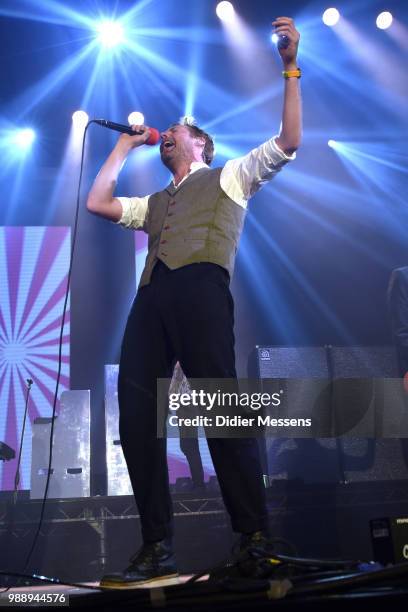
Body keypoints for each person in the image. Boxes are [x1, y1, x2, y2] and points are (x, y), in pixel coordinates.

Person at [87, 16, 302, 588]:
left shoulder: (229, 176)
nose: (170, 134)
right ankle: (157, 546)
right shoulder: (153, 201)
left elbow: (289, 141)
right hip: (152, 299)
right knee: (137, 419)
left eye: (179, 130)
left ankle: (253, 535)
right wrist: (122, 145)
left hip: (203, 290)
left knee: (220, 410)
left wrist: (289, 68)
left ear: (199, 143)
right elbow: (97, 202)